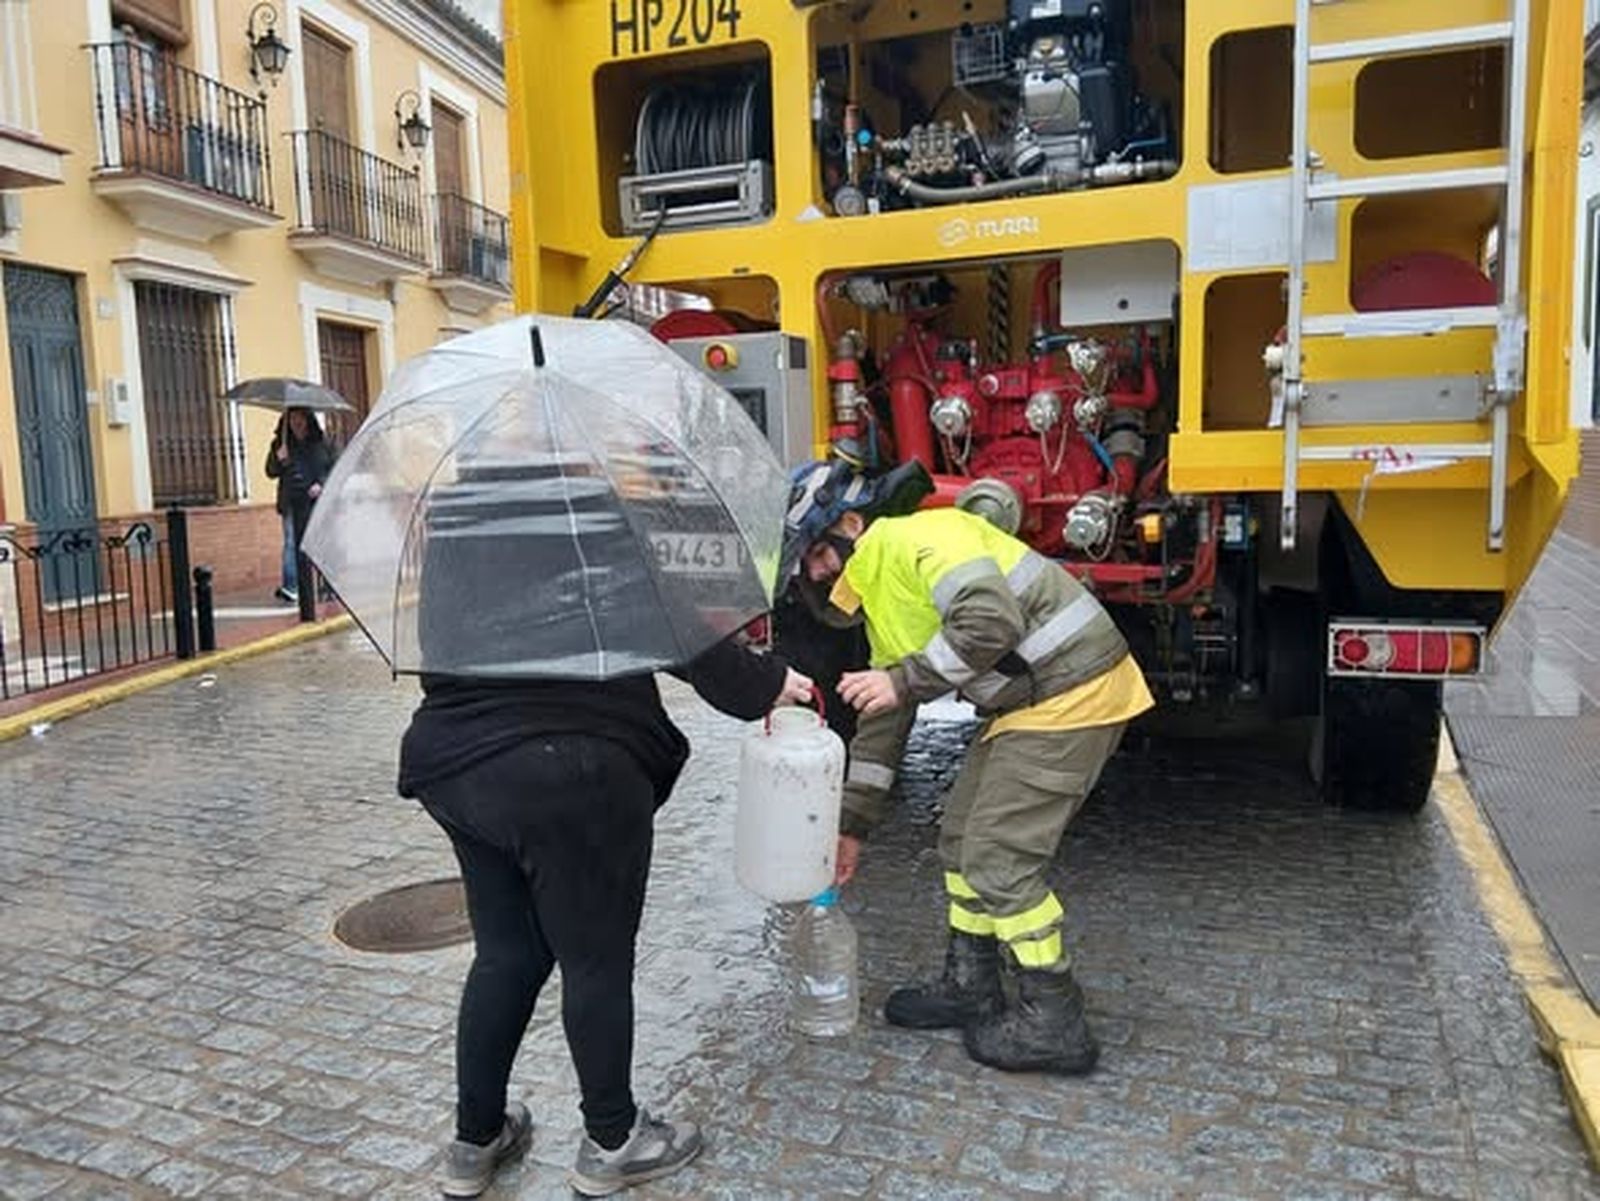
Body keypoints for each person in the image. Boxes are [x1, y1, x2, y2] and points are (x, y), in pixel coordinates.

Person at [399, 633, 813, 1198]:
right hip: (576, 766)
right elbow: (666, 620)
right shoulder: (593, 539)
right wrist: (766, 682)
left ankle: (475, 1140)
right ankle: (614, 1140)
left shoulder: (454, 541)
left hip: (456, 760)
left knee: (507, 953)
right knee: (596, 959)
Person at [781, 459, 1154, 1075]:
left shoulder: (924, 539)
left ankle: (1055, 1018)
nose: (816, 574)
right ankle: (972, 982)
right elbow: (884, 720)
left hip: (1075, 692)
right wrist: (852, 827)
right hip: (1034, 702)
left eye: (818, 554)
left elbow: (990, 622)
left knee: (998, 857)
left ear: (852, 523)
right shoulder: (877, 588)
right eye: (807, 566)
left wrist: (902, 680)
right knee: (959, 839)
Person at [264, 406, 334, 604]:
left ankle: (328, 585)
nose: (296, 422)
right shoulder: (281, 444)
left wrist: (321, 484)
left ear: (307, 419)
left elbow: (334, 466)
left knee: (320, 543)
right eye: (292, 418)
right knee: (291, 544)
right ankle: (291, 587)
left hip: (316, 502)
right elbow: (270, 472)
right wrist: (278, 459)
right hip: (292, 502)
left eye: (300, 417)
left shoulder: (321, 443)